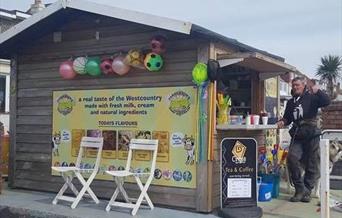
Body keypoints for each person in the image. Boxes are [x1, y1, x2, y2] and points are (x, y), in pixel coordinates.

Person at [277, 76, 330, 202]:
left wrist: (318, 91)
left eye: (298, 85)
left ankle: (307, 190)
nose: (295, 87)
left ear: (303, 85)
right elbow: (287, 118)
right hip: (298, 134)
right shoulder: (290, 103)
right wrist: (282, 121)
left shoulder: (312, 97)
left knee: (312, 163)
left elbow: (326, 101)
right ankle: (300, 189)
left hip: (312, 133)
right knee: (292, 158)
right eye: (294, 85)